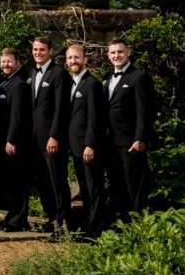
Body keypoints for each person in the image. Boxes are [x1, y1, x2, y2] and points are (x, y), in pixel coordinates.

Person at [104, 39, 155, 224]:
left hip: (131, 143)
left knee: (135, 187)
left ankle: (139, 228)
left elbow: (145, 111)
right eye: (113, 53)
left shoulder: (139, 77)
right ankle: (124, 225)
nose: (116, 56)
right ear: (108, 55)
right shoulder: (108, 78)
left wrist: (140, 138)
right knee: (118, 186)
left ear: (128, 52)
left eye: (120, 52)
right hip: (111, 144)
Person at [30, 35, 72, 234]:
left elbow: (61, 109)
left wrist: (54, 136)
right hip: (36, 140)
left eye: (41, 50)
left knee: (57, 180)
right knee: (43, 181)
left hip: (52, 139)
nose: (38, 53)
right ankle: (52, 218)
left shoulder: (59, 74)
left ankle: (63, 223)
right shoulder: (32, 72)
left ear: (50, 52)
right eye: (35, 50)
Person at [65, 43, 107, 239]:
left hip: (88, 147)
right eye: (70, 58)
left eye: (76, 57)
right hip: (76, 147)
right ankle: (89, 226)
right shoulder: (73, 83)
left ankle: (96, 230)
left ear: (85, 60)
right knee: (85, 188)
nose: (73, 61)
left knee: (94, 188)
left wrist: (90, 144)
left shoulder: (92, 84)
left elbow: (95, 118)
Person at [0, 47, 32, 232]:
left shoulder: (18, 84)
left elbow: (17, 116)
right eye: (3, 61)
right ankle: (12, 216)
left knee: (18, 182)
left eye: (9, 61)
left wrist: (12, 140)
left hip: (14, 142)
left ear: (17, 63)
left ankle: (18, 220)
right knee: (10, 182)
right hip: (1, 140)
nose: (5, 64)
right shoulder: (2, 82)